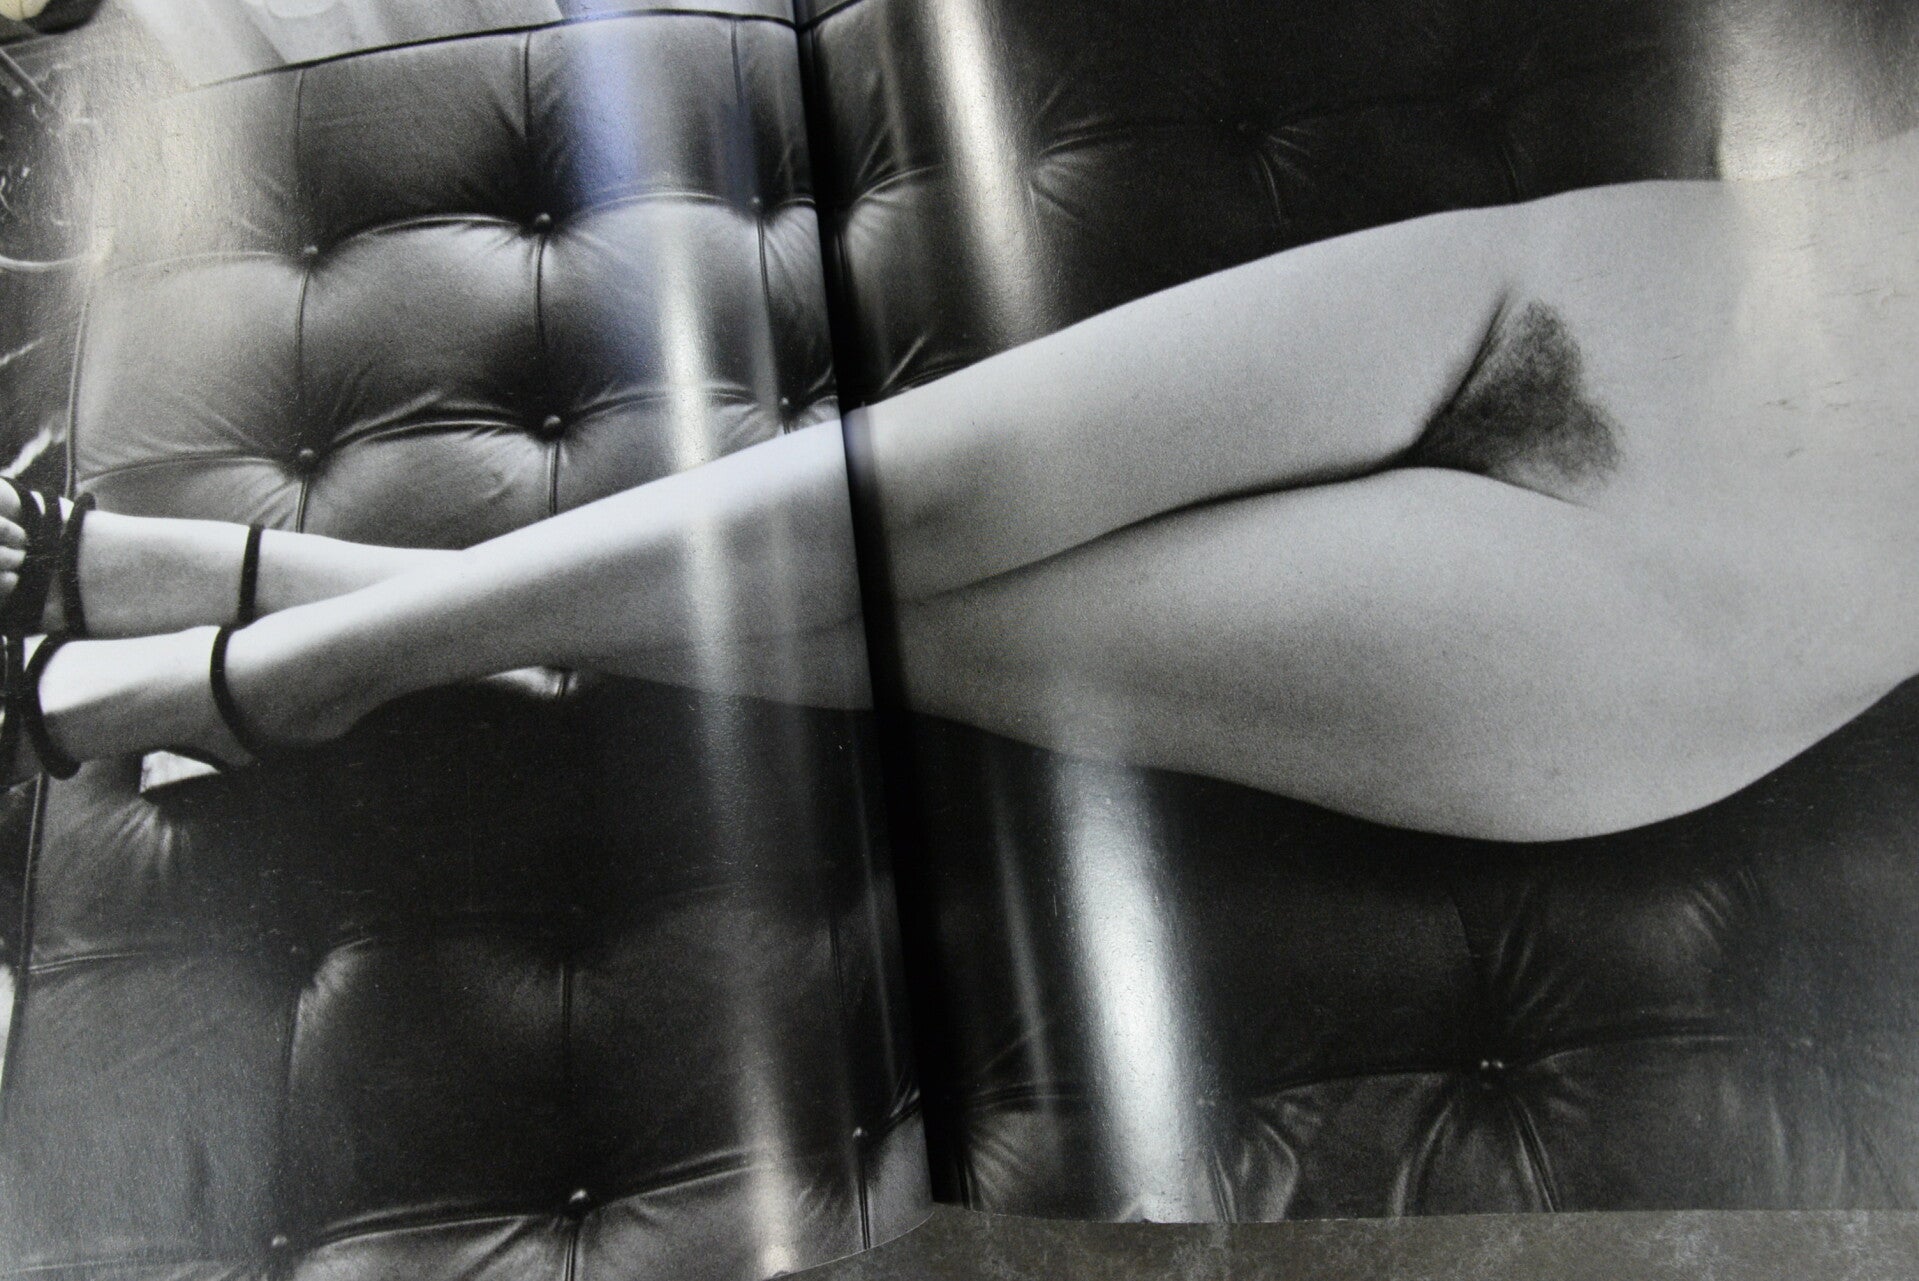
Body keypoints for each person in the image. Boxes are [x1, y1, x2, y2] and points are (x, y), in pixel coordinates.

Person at [5, 126, 1916, 843]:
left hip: (1668, 605)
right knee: (897, 499)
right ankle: (289, 627)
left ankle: (273, 652)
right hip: (1584, 279)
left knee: (918, 629)